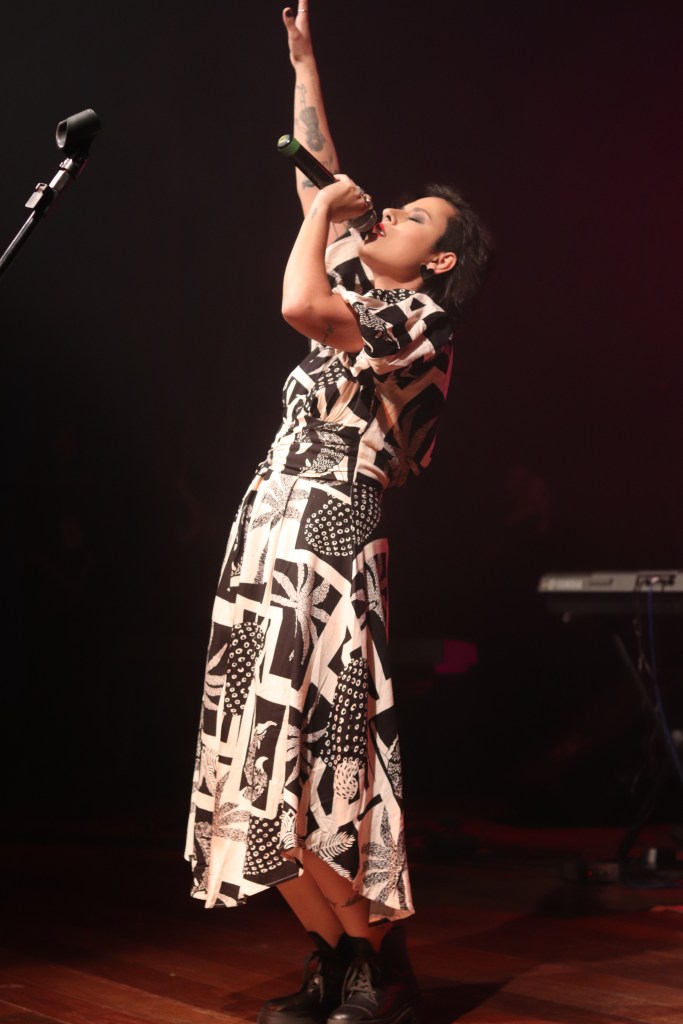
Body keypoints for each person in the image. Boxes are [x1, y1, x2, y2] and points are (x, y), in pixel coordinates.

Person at [185, 4, 493, 1023]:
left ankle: (376, 963)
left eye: (413, 220)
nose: (389, 216)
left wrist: (322, 216)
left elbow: (299, 302)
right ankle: (328, 955)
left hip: (330, 539)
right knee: (253, 755)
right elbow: (312, 175)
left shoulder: (421, 323)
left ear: (439, 259)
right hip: (266, 528)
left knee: (321, 755)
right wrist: (303, 58)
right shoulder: (374, 294)